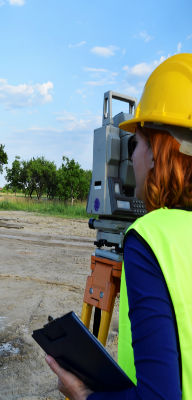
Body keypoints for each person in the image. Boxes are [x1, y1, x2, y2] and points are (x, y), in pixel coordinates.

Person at [45, 53, 192, 399]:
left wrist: (85, 395)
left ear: (157, 152)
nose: (133, 157)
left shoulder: (150, 240)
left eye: (136, 142)